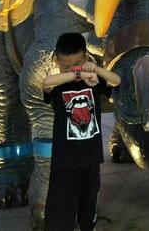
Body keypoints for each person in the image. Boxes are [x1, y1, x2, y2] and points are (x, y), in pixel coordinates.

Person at [42, 32, 121, 231]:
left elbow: (116, 80)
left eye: (78, 62)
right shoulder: (58, 84)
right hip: (64, 161)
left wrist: (95, 70)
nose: (73, 68)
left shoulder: (93, 80)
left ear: (86, 57)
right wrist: (77, 74)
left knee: (88, 210)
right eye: (66, 65)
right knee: (60, 212)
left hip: (91, 158)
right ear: (57, 61)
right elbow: (46, 83)